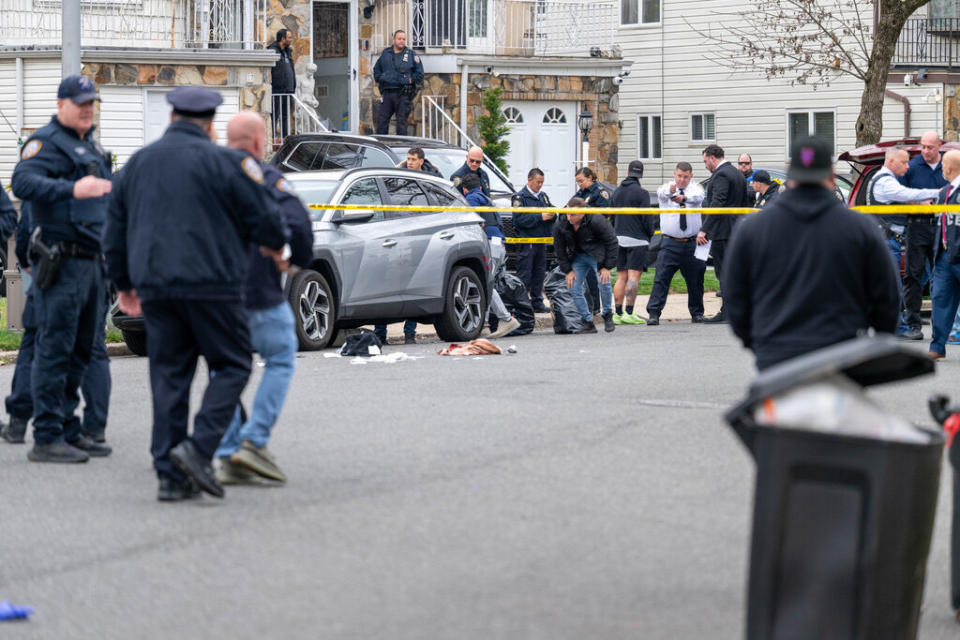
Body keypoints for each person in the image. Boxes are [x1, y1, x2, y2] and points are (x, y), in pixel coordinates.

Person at [104, 86, 287, 501]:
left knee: (169, 377)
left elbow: (113, 229)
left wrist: (124, 285)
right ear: (210, 125)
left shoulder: (138, 164)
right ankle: (200, 448)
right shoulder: (228, 162)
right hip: (213, 286)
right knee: (234, 364)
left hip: (157, 288)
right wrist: (272, 244)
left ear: (171, 118)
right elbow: (267, 219)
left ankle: (171, 477)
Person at [724, 135, 899, 370]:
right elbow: (886, 297)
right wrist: (876, 341)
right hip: (841, 354)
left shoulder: (752, 228)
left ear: (790, 174)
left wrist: (758, 344)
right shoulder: (860, 228)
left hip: (777, 357)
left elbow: (735, 296)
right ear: (830, 175)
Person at [10, 74, 113, 463]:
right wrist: (72, 190)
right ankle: (48, 435)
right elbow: (22, 182)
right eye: (80, 103)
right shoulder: (47, 142)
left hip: (92, 263)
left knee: (81, 351)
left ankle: (70, 429)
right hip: (62, 260)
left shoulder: (90, 144)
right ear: (61, 105)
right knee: (55, 348)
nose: (88, 109)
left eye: (91, 103)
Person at [213, 112, 313, 486]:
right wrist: (296, 260)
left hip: (213, 294)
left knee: (224, 372)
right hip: (258, 290)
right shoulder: (265, 177)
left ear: (228, 140)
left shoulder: (210, 180)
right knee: (281, 358)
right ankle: (253, 441)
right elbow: (299, 223)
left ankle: (227, 453)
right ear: (258, 142)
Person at [0, 202, 111, 446]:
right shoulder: (96, 176)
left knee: (36, 344)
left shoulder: (46, 175)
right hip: (94, 268)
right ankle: (93, 427)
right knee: (93, 347)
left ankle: (22, 421)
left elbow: (25, 224)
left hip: (53, 271)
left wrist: (24, 256)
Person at [865, 147, 941, 340]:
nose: (908, 167)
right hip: (888, 242)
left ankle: (901, 322)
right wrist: (939, 191)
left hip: (894, 241)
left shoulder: (884, 179)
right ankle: (897, 329)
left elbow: (901, 201)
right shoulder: (885, 181)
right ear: (891, 161)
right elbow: (906, 194)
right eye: (904, 162)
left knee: (910, 280)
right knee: (894, 287)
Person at [375, 146, 435, 344]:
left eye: (413, 159)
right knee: (385, 284)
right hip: (395, 234)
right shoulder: (395, 178)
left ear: (421, 162)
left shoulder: (428, 180)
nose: (409, 162)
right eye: (408, 159)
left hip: (416, 237)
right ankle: (380, 333)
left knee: (412, 285)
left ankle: (410, 332)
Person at [459, 173, 520, 338]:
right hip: (499, 244)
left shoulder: (471, 199)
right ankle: (483, 326)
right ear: (479, 187)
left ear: (464, 190)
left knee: (486, 285)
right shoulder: (487, 199)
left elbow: (475, 223)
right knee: (486, 285)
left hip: (490, 246)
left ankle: (505, 318)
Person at [646, 162, 707, 326]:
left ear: (691, 176)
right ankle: (654, 313)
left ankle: (697, 313)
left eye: (685, 176)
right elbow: (661, 193)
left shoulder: (696, 189)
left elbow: (699, 197)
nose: (682, 180)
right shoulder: (666, 188)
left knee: (696, 280)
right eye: (679, 176)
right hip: (670, 242)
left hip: (692, 243)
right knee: (661, 278)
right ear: (675, 174)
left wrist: (684, 198)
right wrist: (671, 191)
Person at [902, 131, 947, 341]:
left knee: (942, 276)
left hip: (940, 227)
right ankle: (914, 325)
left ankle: (942, 326)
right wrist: (917, 204)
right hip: (917, 227)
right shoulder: (911, 167)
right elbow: (899, 196)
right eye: (923, 147)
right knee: (914, 276)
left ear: (939, 146)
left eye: (930, 147)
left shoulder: (947, 166)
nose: (925, 151)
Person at [699, 144, 748, 324]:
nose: (705, 165)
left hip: (723, 231)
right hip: (737, 229)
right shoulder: (737, 174)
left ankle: (727, 311)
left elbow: (717, 204)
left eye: (705, 161)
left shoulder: (721, 175)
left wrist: (704, 229)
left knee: (724, 272)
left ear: (713, 158)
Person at [553, 197, 618, 333]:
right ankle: (587, 321)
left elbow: (612, 241)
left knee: (603, 282)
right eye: (568, 213)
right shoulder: (562, 223)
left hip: (597, 255)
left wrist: (607, 266)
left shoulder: (596, 220)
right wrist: (568, 270)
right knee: (573, 287)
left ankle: (607, 315)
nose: (569, 217)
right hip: (578, 256)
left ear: (583, 213)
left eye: (573, 215)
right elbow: (559, 248)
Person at [610, 160, 654, 325]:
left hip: (619, 238)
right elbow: (646, 218)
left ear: (628, 173)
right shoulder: (642, 193)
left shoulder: (616, 192)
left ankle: (618, 313)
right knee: (634, 277)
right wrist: (649, 235)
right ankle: (629, 313)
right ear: (641, 175)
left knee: (621, 277)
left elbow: (612, 217)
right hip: (638, 239)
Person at [928, 150, 960, 360]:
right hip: (944, 256)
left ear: (949, 167)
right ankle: (937, 347)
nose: (941, 170)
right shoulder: (944, 192)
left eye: (942, 166)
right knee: (940, 299)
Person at [511, 168, 554, 312]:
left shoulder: (543, 197)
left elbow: (550, 208)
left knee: (539, 272)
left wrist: (553, 213)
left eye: (542, 182)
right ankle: (521, 303)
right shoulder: (519, 198)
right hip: (527, 241)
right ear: (529, 180)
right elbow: (519, 220)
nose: (540, 185)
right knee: (525, 273)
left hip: (541, 241)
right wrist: (539, 217)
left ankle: (537, 302)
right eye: (538, 182)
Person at [373, 29, 423, 135]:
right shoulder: (386, 53)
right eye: (399, 39)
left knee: (401, 123)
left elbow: (419, 74)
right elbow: (376, 69)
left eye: (404, 39)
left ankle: (401, 147)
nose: (402, 41)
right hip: (387, 93)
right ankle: (381, 146)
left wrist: (410, 79)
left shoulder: (411, 55)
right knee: (382, 122)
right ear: (394, 39)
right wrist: (381, 78)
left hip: (402, 94)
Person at [268, 29, 297, 141]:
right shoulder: (273, 50)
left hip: (289, 90)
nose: (291, 40)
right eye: (289, 37)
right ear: (283, 39)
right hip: (277, 90)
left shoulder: (287, 52)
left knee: (285, 116)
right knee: (275, 115)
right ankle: (272, 138)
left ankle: (285, 139)